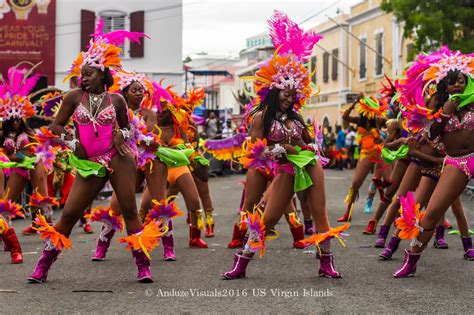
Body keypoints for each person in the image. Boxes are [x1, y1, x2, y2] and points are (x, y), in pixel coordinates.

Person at [27, 21, 162, 283]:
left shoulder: (117, 100)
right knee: (69, 213)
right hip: (90, 162)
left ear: (102, 73)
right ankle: (43, 266)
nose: (83, 77)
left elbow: (128, 128)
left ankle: (143, 267)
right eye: (82, 73)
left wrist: (121, 134)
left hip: (119, 158)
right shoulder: (73, 97)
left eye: (88, 73)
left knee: (129, 210)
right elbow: (55, 126)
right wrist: (69, 139)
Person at [222, 11, 348, 280]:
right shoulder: (260, 118)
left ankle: (326, 264)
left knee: (320, 215)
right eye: (285, 94)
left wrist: (310, 148)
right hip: (285, 171)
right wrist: (279, 151)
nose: (290, 99)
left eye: (293, 95)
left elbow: (307, 144)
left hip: (309, 166)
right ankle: (241, 263)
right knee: (267, 219)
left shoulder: (296, 118)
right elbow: (255, 154)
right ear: (274, 91)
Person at [393, 47, 474, 277]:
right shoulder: (439, 108)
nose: (457, 86)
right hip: (457, 162)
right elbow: (430, 136)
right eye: (451, 83)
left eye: (460, 81)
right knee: (431, 213)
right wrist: (445, 113)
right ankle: (412, 260)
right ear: (444, 87)